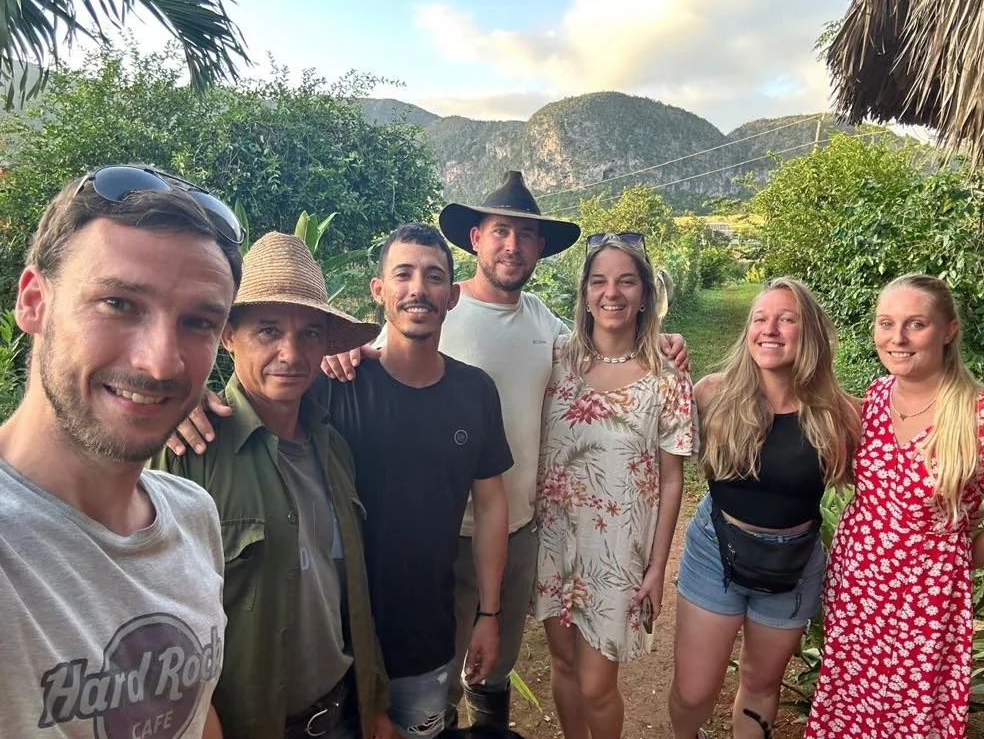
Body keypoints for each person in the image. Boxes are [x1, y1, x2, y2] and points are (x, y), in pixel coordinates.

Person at [171, 171, 689, 728]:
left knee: (479, 669)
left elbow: (600, 349)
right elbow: (277, 386)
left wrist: (651, 343)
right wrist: (190, 398)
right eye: (500, 231)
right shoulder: (349, 373)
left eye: (525, 234)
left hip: (504, 537)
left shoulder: (544, 331)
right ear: (474, 243)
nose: (511, 245)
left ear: (538, 249)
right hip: (386, 578)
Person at [0, 164, 244, 737]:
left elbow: (194, 712)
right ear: (34, 302)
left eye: (198, 322)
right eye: (119, 303)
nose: (161, 363)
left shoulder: (192, 516)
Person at [150, 232, 390, 739]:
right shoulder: (190, 452)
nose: (290, 352)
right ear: (228, 335)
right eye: (267, 330)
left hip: (342, 713)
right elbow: (153, 624)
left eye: (308, 334)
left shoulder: (333, 447)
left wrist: (373, 706)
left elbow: (350, 597)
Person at [312, 223, 511, 739]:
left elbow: (491, 506)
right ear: (379, 291)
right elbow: (257, 401)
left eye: (433, 276)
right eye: (402, 274)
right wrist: (198, 403)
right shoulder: (336, 384)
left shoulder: (475, 392)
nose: (417, 288)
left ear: (452, 295)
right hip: (334, 638)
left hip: (426, 632)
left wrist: (489, 612)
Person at [804, 274, 984, 739]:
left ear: (948, 330)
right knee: (850, 701)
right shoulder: (878, 397)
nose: (897, 338)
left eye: (915, 324)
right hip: (856, 588)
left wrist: (945, 564)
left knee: (913, 712)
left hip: (926, 600)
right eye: (886, 323)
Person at [669, 278, 861, 739]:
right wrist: (656, 341)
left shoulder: (841, 415)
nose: (770, 329)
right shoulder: (711, 396)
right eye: (760, 318)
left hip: (794, 565)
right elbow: (647, 430)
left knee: (760, 684)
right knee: (695, 692)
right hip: (715, 550)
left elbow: (890, 488)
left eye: (786, 319)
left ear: (809, 332)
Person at [533, 232, 695, 739]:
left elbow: (672, 481)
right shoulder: (556, 358)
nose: (612, 293)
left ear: (645, 294)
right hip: (553, 542)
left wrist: (657, 567)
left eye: (626, 281)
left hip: (618, 553)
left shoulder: (668, 378)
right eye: (599, 281)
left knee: (598, 685)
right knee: (562, 666)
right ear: (584, 294)